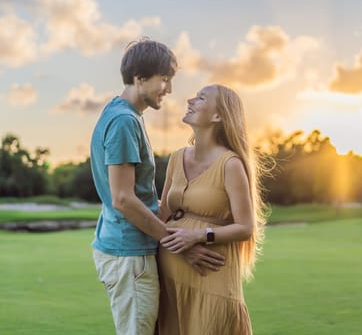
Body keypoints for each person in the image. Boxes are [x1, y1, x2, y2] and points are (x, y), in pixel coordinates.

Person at [90, 40, 225, 335]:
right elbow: (123, 198)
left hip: (128, 250)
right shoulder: (124, 121)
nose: (169, 89)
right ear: (140, 78)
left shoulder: (121, 114)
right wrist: (177, 244)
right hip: (130, 254)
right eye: (164, 79)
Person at [157, 84, 267, 335]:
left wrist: (198, 236)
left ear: (218, 116)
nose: (190, 100)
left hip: (211, 277)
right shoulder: (176, 158)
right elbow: (163, 212)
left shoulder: (230, 164)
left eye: (201, 98)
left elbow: (245, 227)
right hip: (171, 280)